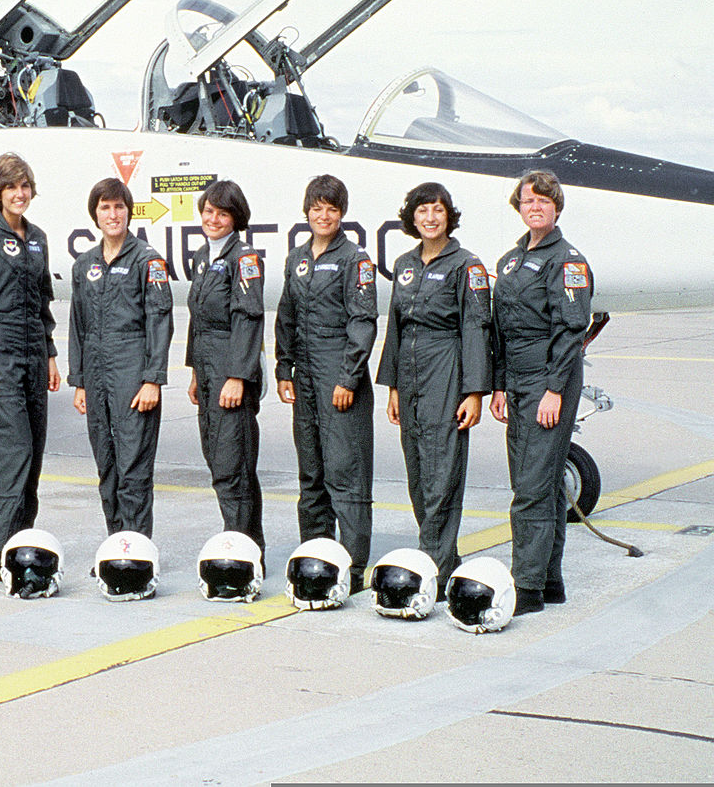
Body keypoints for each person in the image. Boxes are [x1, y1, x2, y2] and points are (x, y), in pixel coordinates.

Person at [375, 182, 491, 598]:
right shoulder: (405, 263)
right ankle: (443, 555)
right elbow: (395, 324)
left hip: (448, 367)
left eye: (437, 210)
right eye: (422, 211)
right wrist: (391, 386)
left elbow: (476, 327)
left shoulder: (466, 265)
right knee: (419, 473)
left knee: (443, 472)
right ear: (412, 217)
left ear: (448, 216)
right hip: (409, 373)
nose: (429, 218)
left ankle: (434, 564)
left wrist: (474, 391)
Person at [489, 170, 593, 615]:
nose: (535, 207)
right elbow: (500, 328)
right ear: (519, 207)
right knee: (543, 483)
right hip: (517, 379)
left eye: (544, 201)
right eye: (528, 201)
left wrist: (553, 390)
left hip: (550, 378)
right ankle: (551, 581)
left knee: (530, 486)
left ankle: (526, 588)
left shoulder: (567, 261)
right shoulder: (512, 259)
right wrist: (498, 385)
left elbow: (571, 330)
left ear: (557, 207)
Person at [275, 174, 377, 595]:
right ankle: (317, 556)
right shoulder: (297, 258)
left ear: (342, 213)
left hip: (340, 375)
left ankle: (351, 568)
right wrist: (284, 369)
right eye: (316, 208)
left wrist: (348, 376)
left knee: (346, 473)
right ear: (307, 211)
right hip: (307, 378)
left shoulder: (356, 260)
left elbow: (363, 321)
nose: (323, 215)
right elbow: (286, 315)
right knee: (312, 473)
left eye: (331, 208)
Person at [0, 153, 60, 581]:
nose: (19, 194)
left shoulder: (37, 237)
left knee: (33, 454)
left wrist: (51, 352)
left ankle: (23, 546)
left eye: (25, 186)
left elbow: (43, 301)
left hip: (35, 357)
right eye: (11, 187)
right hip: (0, 357)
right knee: (11, 454)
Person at [69, 178, 174, 538]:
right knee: (107, 467)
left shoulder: (148, 259)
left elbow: (161, 319)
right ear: (95, 214)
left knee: (134, 467)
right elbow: (78, 326)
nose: (112, 214)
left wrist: (152, 379)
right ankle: (116, 544)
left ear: (128, 212)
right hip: (96, 376)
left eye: (118, 207)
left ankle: (137, 549)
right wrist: (79, 381)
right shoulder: (84, 265)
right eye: (104, 207)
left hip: (133, 372)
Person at [186, 179, 265, 554]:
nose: (213, 219)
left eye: (222, 213)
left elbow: (248, 318)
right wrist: (194, 372)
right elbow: (197, 318)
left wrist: (237, 376)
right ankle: (240, 540)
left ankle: (244, 548)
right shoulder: (203, 257)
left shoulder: (243, 259)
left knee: (233, 466)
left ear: (235, 217)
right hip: (208, 371)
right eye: (208, 211)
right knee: (219, 462)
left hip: (231, 372)